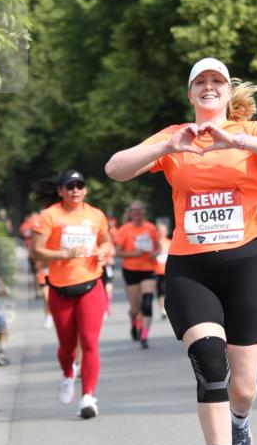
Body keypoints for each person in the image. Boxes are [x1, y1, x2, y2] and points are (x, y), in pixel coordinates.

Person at [105, 56, 257, 445]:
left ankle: (240, 419)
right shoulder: (175, 137)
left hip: (246, 267)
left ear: (227, 90)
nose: (209, 88)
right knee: (210, 363)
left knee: (245, 385)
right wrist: (167, 147)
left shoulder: (249, 135)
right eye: (201, 82)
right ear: (191, 93)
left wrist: (232, 139)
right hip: (190, 269)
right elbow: (115, 168)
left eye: (217, 81)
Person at [30, 169, 111, 419]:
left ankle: (88, 397)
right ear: (61, 191)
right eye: (70, 186)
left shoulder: (96, 215)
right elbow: (36, 252)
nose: (76, 190)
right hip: (60, 288)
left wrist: (102, 251)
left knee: (89, 342)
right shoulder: (50, 216)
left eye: (80, 185)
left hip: (90, 284)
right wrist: (66, 254)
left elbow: (107, 241)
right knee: (66, 347)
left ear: (85, 190)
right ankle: (68, 374)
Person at [114, 201, 158, 349]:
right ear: (130, 213)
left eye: (140, 210)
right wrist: (135, 253)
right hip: (131, 270)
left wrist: (154, 254)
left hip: (148, 269)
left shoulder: (151, 228)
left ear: (143, 212)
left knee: (147, 302)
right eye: (134, 211)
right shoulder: (124, 230)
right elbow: (117, 252)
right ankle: (134, 323)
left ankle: (144, 336)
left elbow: (158, 248)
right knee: (135, 307)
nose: (137, 213)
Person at [155, 220, 172, 319]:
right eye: (160, 231)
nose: (162, 232)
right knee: (160, 291)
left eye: (163, 230)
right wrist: (158, 251)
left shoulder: (170, 242)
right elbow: (149, 255)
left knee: (168, 291)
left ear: (166, 231)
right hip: (157, 270)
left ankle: (168, 308)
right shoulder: (154, 242)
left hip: (168, 270)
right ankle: (162, 309)